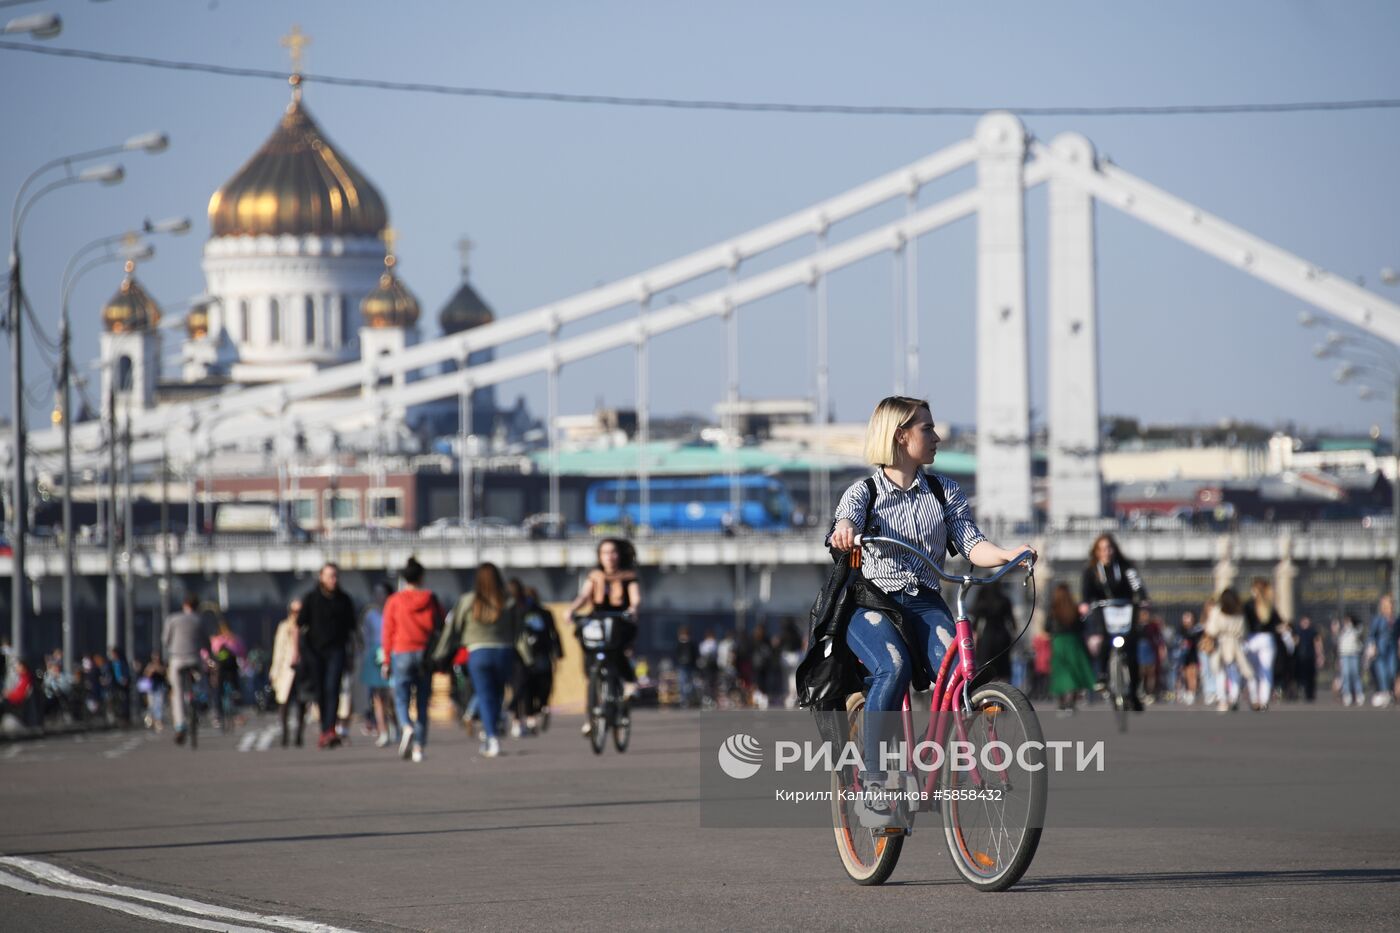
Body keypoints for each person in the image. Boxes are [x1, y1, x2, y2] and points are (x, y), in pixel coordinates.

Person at [828, 396, 1035, 804]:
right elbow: (846, 520)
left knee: (961, 675)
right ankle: (876, 783)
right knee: (894, 666)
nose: (937, 436)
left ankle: (926, 758)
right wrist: (845, 531)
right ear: (901, 436)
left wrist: (1009, 554)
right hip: (871, 603)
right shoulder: (864, 491)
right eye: (928, 428)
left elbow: (972, 545)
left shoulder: (944, 491)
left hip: (925, 601)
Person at [442, 563, 522, 758]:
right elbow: (519, 632)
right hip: (503, 653)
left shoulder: (467, 601)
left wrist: (440, 652)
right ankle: (492, 730)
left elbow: (452, 630)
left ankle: (491, 738)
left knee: (485, 696)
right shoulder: (508, 601)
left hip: (478, 653)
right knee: (497, 694)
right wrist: (528, 658)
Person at [567, 538, 642, 732]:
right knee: (590, 661)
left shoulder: (628, 576)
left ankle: (628, 683)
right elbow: (584, 596)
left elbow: (635, 598)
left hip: (620, 621)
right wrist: (571, 610)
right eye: (605, 553)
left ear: (620, 555)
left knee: (616, 651)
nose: (609, 557)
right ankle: (591, 716)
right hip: (598, 621)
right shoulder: (595, 576)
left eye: (613, 552)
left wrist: (633, 609)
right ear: (599, 556)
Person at [382, 557, 445, 763]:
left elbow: (388, 632)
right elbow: (442, 626)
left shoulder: (394, 601)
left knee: (401, 698)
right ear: (422, 577)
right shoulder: (431, 599)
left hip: (401, 652)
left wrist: (386, 661)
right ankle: (418, 747)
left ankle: (406, 726)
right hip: (425, 654)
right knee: (422, 702)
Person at [1080, 534, 1149, 712]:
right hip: (1104, 612)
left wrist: (1142, 599)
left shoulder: (1125, 568)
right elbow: (1086, 593)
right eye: (1102, 549)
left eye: (1109, 548)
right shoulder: (1091, 571)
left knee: (1131, 650)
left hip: (1125, 610)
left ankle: (1133, 692)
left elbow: (1137, 586)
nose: (1106, 553)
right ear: (1096, 551)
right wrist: (1085, 604)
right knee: (1105, 639)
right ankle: (1102, 675)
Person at [298, 563, 357, 749]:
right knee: (320, 692)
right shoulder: (311, 598)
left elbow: (352, 630)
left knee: (333, 688)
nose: (334, 579)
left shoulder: (344, 599)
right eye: (330, 576)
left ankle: (330, 729)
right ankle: (325, 729)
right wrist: (296, 652)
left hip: (337, 650)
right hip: (314, 652)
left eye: (336, 576)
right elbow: (298, 626)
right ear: (321, 577)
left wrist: (352, 655)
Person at [162, 594, 210, 744]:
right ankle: (200, 698)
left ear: (184, 605)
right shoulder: (199, 620)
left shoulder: (172, 619)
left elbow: (165, 640)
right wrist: (211, 658)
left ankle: (180, 724)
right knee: (201, 681)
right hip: (194, 658)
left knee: (177, 692)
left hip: (177, 659)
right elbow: (206, 643)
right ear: (196, 606)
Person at [1048, 583, 1096, 714]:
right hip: (1073, 641)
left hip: (1059, 642)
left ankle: (1061, 702)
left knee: (1060, 673)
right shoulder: (1074, 609)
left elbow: (1047, 627)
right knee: (1075, 672)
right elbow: (1082, 627)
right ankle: (1071, 702)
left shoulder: (1053, 609)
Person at [1204, 588, 1253, 713]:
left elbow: (1211, 629)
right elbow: (1243, 631)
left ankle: (1223, 700)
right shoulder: (1239, 612)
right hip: (1235, 643)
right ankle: (1234, 697)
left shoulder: (1217, 611)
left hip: (1221, 642)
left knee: (1220, 673)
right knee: (1234, 672)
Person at [361, 582, 397, 747]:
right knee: (377, 696)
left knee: (392, 694)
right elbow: (366, 638)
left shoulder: (395, 612)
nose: (378, 597)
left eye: (381, 593)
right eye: (376, 593)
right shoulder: (370, 616)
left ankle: (395, 725)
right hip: (374, 655)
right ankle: (382, 730)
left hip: (392, 653)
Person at [269, 598, 308, 747]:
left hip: (303, 669)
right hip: (286, 670)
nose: (297, 614)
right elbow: (278, 650)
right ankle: (284, 734)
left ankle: (299, 735)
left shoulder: (306, 627)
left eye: (299, 611)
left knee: (301, 703)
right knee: (283, 702)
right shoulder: (284, 627)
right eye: (294, 611)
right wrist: (274, 671)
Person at [1242, 578, 1282, 711]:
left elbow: (1243, 622)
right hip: (1267, 639)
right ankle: (1264, 700)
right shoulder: (1269, 605)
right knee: (1266, 671)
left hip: (1252, 639)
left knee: (1251, 671)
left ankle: (1254, 700)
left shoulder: (1248, 605)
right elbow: (1279, 623)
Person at [1368, 594, 1397, 708]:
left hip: (1392, 648)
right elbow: (1372, 635)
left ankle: (1389, 691)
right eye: (1388, 604)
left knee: (1392, 670)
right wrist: (1372, 646)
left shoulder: (1395, 619)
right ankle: (1385, 693)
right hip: (1380, 648)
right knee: (1382, 671)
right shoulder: (1378, 619)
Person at [1293, 615, 1323, 703]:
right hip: (1300, 657)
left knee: (1311, 677)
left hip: (1310, 657)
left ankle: (1310, 694)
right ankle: (1300, 692)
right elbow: (1294, 642)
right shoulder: (1297, 631)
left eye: (1307, 621)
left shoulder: (1312, 631)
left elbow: (1317, 642)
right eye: (1303, 620)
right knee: (1300, 677)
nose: (1305, 622)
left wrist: (1320, 655)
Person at [1338, 614, 1365, 707]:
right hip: (1344, 654)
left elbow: (1360, 631)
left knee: (1355, 674)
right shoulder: (1342, 630)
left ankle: (1359, 693)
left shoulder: (1356, 629)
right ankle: (1347, 694)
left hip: (1354, 653)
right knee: (1345, 674)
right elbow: (1339, 641)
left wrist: (1353, 625)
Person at [1176, 611, 1202, 706]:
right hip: (1183, 656)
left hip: (1193, 655)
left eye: (1189, 618)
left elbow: (1197, 639)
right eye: (1185, 618)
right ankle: (1184, 692)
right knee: (1184, 675)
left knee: (1192, 674)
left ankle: (1192, 693)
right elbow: (1179, 642)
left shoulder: (1196, 629)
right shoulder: (1181, 630)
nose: (1187, 620)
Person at [140, 652, 168, 732]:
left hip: (160, 687)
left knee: (159, 704)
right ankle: (151, 720)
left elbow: (164, 672)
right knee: (151, 705)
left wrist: (158, 669)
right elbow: (146, 675)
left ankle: (158, 721)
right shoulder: (150, 665)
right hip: (151, 688)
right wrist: (151, 671)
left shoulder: (162, 665)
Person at [673, 626, 699, 708]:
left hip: (690, 666)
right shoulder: (679, 644)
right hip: (681, 666)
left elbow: (695, 655)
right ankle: (684, 700)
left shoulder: (691, 644)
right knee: (682, 683)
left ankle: (689, 699)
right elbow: (676, 655)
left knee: (690, 684)